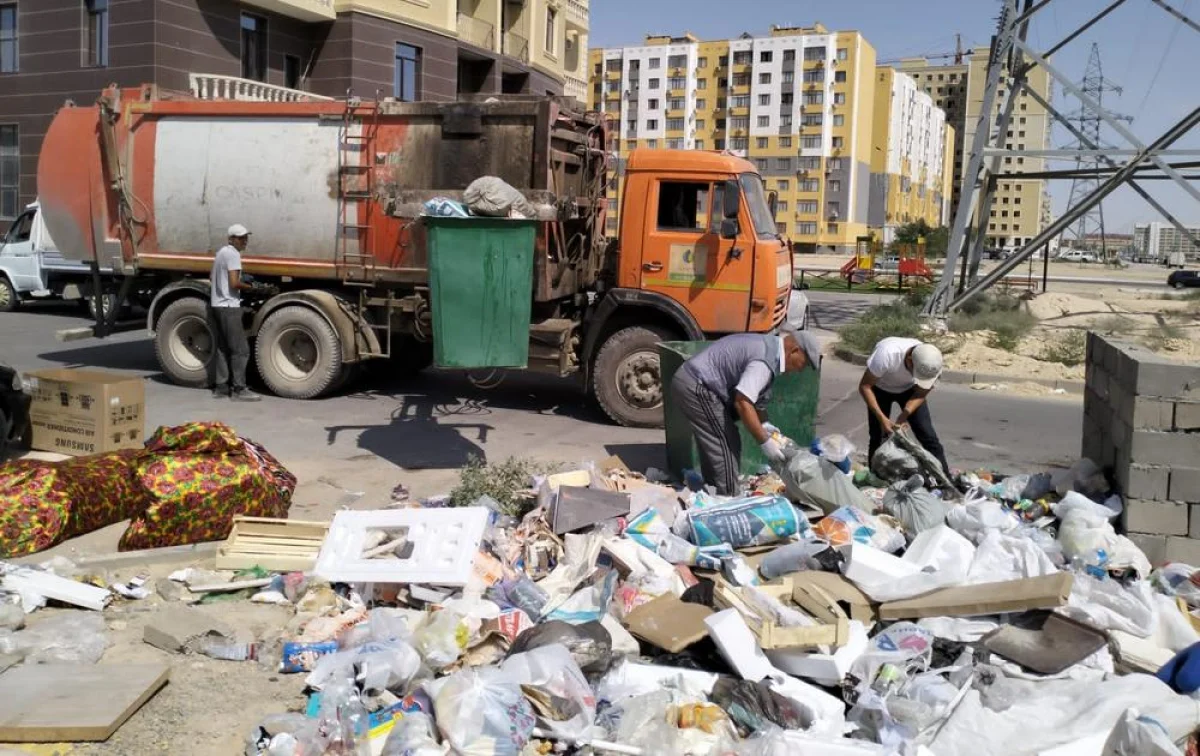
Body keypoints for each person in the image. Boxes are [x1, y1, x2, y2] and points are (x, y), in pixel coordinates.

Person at [670, 326, 822, 495]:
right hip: (697, 385)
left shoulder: (770, 349)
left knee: (718, 441)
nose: (800, 370)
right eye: (804, 364)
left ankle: (712, 492)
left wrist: (764, 424)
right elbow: (743, 402)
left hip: (696, 382)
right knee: (726, 442)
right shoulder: (765, 360)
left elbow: (757, 399)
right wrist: (764, 442)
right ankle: (728, 500)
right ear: (794, 351)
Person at [859, 337, 948, 473]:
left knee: (928, 436)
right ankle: (875, 478)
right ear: (909, 360)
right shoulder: (887, 354)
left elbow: (922, 392)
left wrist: (904, 415)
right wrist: (882, 419)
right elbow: (865, 386)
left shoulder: (933, 363)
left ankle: (945, 480)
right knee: (877, 436)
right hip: (879, 388)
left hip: (909, 390)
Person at [209, 224, 261, 402]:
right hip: (229, 307)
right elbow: (234, 283)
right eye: (240, 238)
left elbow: (213, 278)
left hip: (217, 304)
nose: (244, 241)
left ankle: (221, 388)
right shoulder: (233, 254)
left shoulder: (221, 253)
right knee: (241, 350)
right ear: (231, 239)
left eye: (246, 237)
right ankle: (239, 389)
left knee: (223, 348)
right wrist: (252, 288)